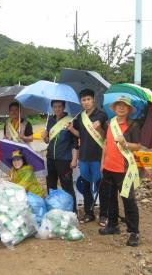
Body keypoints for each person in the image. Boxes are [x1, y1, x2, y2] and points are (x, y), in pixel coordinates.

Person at [99, 96, 141, 247]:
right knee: (110, 198)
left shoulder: (133, 125)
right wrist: (103, 162)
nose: (121, 108)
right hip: (108, 167)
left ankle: (134, 232)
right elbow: (105, 143)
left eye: (124, 106)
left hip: (124, 169)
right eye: (118, 105)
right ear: (114, 108)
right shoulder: (110, 123)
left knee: (128, 201)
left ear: (129, 109)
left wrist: (125, 143)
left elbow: (138, 146)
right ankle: (113, 225)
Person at [67, 89, 109, 226]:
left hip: (98, 157)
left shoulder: (102, 115)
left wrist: (100, 129)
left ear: (93, 100)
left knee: (100, 186)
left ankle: (103, 215)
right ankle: (89, 213)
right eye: (83, 100)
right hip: (84, 157)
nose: (86, 102)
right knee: (85, 186)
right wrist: (72, 129)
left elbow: (107, 137)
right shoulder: (80, 117)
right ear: (81, 102)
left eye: (88, 99)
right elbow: (80, 135)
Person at [41, 100, 79, 212]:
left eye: (60, 106)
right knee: (51, 185)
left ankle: (72, 211)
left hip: (64, 159)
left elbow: (75, 143)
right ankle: (53, 209)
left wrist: (74, 160)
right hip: (50, 158)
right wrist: (44, 138)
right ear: (52, 108)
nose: (57, 109)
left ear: (64, 107)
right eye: (55, 107)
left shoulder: (70, 121)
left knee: (67, 186)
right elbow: (48, 141)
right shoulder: (51, 121)